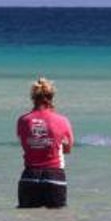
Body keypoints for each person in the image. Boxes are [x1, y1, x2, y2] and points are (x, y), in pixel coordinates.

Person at [16, 77, 74, 208]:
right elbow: (68, 149)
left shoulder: (23, 120)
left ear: (33, 97)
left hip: (29, 175)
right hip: (54, 175)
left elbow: (24, 143)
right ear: (51, 97)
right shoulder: (62, 120)